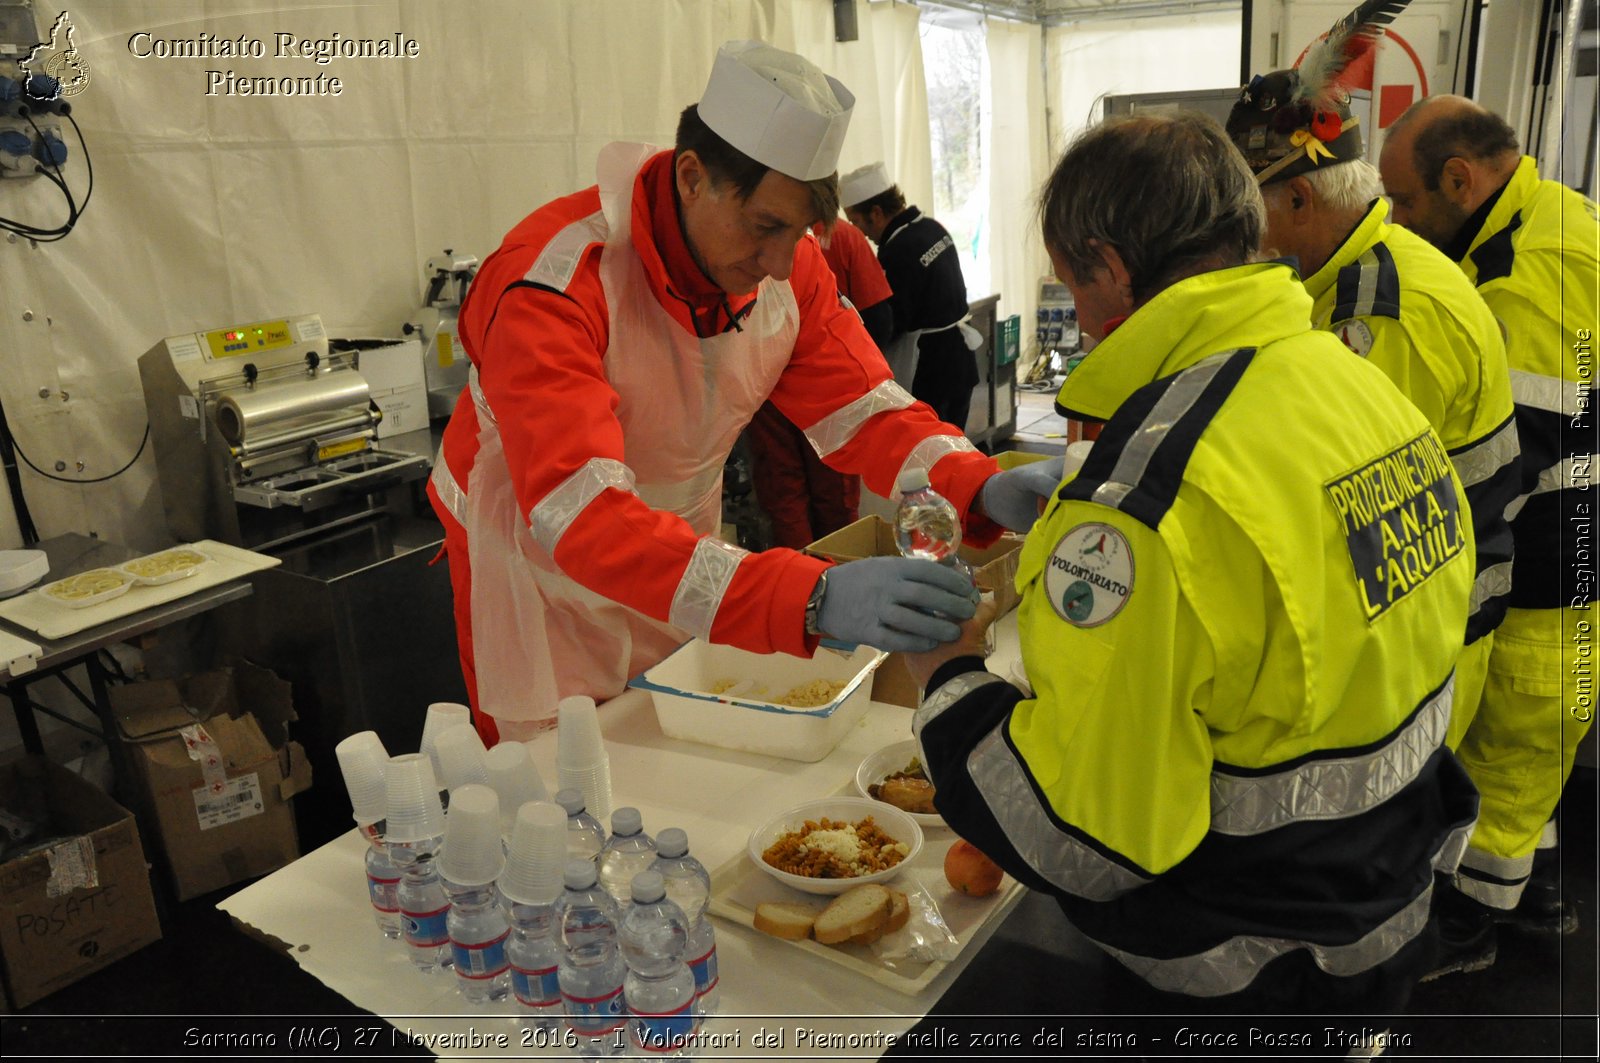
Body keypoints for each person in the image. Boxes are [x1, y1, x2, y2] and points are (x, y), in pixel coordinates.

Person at [903, 112, 1479, 1016]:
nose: (1082, 325)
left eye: (1071, 287)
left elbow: (1082, 835)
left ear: (1113, 266)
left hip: (1240, 966)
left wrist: (947, 679)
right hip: (1388, 906)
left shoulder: (1145, 500)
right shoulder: (1360, 384)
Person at [426, 40, 1063, 742]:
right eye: (765, 228)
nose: (780, 264)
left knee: (677, 744)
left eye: (801, 235)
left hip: (674, 552)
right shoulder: (552, 285)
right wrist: (811, 595)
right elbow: (584, 517)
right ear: (693, 178)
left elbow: (867, 407)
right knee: (564, 779)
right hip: (538, 568)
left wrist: (977, 485)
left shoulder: (787, 269)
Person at [1224, 57, 1519, 752]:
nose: (1245, 236)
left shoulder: (1381, 315)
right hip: (1426, 617)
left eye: (1249, 212)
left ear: (1299, 200)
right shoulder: (1359, 270)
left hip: (1427, 639)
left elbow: (1361, 505)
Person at [1379, 94, 1599, 974]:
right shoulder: (1534, 223)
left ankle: (1467, 931)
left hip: (1558, 549)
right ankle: (1536, 896)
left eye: (1403, 200)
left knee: (1513, 741)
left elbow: (1519, 446)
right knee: (1529, 744)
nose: (1396, 219)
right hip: (1564, 537)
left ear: (1459, 180)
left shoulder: (1540, 262)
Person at [743, 217, 893, 549]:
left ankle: (805, 584)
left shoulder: (748, 230)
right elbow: (880, 316)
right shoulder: (846, 236)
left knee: (784, 492)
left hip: (766, 383)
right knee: (832, 495)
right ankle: (831, 578)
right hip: (821, 384)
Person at [839, 162, 980, 430]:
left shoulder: (898, 250)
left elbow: (892, 322)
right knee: (956, 447)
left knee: (930, 452)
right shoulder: (931, 228)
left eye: (856, 222)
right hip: (961, 362)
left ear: (876, 212)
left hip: (932, 368)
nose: (860, 233)